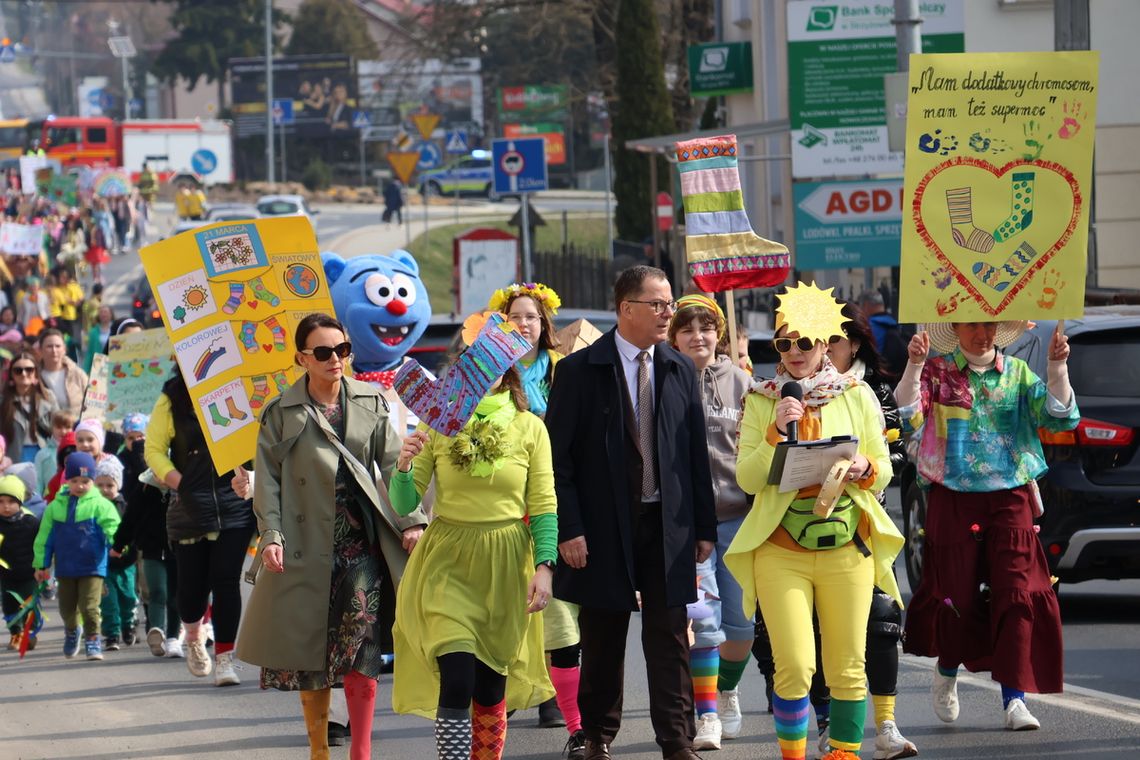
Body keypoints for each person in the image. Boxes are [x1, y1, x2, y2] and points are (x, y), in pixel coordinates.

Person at [724, 281, 904, 760]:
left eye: (806, 341)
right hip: (781, 551)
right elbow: (747, 477)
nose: (796, 351)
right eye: (785, 343)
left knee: (848, 666)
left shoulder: (857, 393)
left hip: (846, 546)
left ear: (825, 342)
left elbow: (883, 464)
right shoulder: (761, 398)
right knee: (796, 666)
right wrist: (774, 432)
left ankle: (843, 754)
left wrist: (867, 468)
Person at [236, 313, 428, 760]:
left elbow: (398, 465)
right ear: (302, 358)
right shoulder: (280, 412)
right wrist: (272, 536)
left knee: (362, 650)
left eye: (342, 350)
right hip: (303, 547)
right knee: (313, 654)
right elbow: (268, 482)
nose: (335, 359)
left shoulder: (371, 401)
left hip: (361, 545)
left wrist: (412, 519)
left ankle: (361, 751)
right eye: (323, 352)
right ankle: (319, 750)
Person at [545, 265, 717, 760]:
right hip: (602, 527)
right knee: (603, 634)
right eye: (658, 305)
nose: (668, 314)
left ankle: (676, 740)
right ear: (626, 309)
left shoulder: (679, 367)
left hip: (667, 524)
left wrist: (703, 525)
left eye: (670, 304)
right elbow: (559, 462)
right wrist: (569, 529)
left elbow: (692, 453)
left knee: (669, 638)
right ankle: (596, 735)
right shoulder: (580, 371)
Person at [389, 311, 557, 760]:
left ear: (507, 367)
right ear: (463, 366)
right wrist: (403, 466)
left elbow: (543, 505)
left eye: (494, 360)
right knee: (457, 674)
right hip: (448, 560)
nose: (485, 371)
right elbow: (404, 503)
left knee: (489, 685)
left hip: (506, 563)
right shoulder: (435, 422)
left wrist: (544, 567)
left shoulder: (530, 428)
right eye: (475, 361)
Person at [898, 320, 1077, 731]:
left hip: (1010, 493)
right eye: (973, 325)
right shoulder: (938, 372)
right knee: (955, 596)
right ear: (955, 327)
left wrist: (1056, 367)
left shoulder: (1016, 374)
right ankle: (947, 669)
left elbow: (1058, 416)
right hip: (954, 494)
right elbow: (908, 416)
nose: (983, 334)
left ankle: (1014, 698)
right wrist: (913, 365)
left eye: (990, 325)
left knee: (1017, 594)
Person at [813, 301, 917, 759]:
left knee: (881, 619)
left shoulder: (872, 387)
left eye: (833, 339)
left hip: (863, 521)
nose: (824, 348)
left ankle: (887, 724)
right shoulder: (787, 390)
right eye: (817, 339)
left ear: (852, 343)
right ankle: (823, 721)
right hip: (804, 527)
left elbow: (895, 455)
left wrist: (863, 466)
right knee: (817, 630)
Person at [492, 282, 581, 751]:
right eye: (514, 316)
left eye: (531, 316)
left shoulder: (565, 371)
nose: (523, 324)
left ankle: (565, 712)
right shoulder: (490, 374)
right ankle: (499, 706)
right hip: (504, 508)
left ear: (545, 325)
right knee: (508, 608)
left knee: (560, 610)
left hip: (554, 498)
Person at [665, 294, 754, 752]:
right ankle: (707, 716)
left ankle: (729, 689)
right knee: (704, 625)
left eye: (705, 328)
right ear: (673, 337)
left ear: (719, 333)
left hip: (738, 520)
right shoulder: (662, 382)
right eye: (687, 329)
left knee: (740, 629)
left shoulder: (742, 383)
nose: (697, 337)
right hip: (687, 527)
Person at [144, 370, 254, 686]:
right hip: (189, 507)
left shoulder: (240, 384)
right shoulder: (172, 397)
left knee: (226, 580)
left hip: (234, 502)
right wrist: (178, 482)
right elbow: (153, 449)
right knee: (191, 589)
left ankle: (224, 659)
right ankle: (193, 635)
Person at [33, 451, 121, 661]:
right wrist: (42, 565)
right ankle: (73, 631)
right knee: (66, 609)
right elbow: (44, 538)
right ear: (67, 480)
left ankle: (93, 640)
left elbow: (113, 527)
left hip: (93, 566)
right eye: (75, 481)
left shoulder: (101, 505)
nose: (80, 485)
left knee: (90, 607)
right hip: (65, 567)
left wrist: (117, 544)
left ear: (92, 480)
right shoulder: (54, 507)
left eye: (86, 481)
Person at [114, 412, 181, 658]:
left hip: (179, 548)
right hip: (151, 549)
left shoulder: (181, 491)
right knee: (157, 591)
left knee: (175, 594)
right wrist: (118, 544)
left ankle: (174, 636)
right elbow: (129, 520)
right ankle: (156, 631)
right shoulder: (144, 491)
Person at [97, 456, 137, 650]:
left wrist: (131, 554)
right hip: (103, 565)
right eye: (100, 485)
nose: (105, 490)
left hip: (125, 563)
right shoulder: (93, 508)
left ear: (117, 485)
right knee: (108, 602)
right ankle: (112, 634)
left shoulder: (125, 508)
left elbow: (133, 532)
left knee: (128, 598)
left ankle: (128, 624)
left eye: (109, 485)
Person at [0, 474, 40, 650]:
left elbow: (41, 546)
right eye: (0, 502)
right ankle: (16, 634)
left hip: (29, 574)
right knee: (10, 607)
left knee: (29, 606)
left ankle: (29, 632)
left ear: (20, 501)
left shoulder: (31, 522)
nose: (6, 506)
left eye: (11, 501)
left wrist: (43, 567)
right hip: (6, 575)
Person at [0, 352, 59, 464]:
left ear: (36, 373)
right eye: (18, 370)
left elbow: (59, 425)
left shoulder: (48, 397)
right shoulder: (3, 402)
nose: (24, 373)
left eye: (29, 369)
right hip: (13, 457)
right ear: (11, 375)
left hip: (44, 455)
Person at [857, 291, 908, 380]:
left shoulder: (867, 327)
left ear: (865, 305)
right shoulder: (894, 324)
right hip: (897, 379)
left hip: (876, 380)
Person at [36, 328, 87, 415]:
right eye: (49, 346)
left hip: (75, 425)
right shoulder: (34, 375)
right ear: (40, 350)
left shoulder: (77, 374)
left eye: (58, 346)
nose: (54, 350)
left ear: (64, 349)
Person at [83, 304, 114, 374]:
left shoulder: (116, 329)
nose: (103, 315)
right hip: (98, 365)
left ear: (111, 314)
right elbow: (89, 353)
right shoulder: (93, 332)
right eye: (101, 312)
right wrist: (85, 370)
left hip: (114, 365)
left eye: (105, 312)